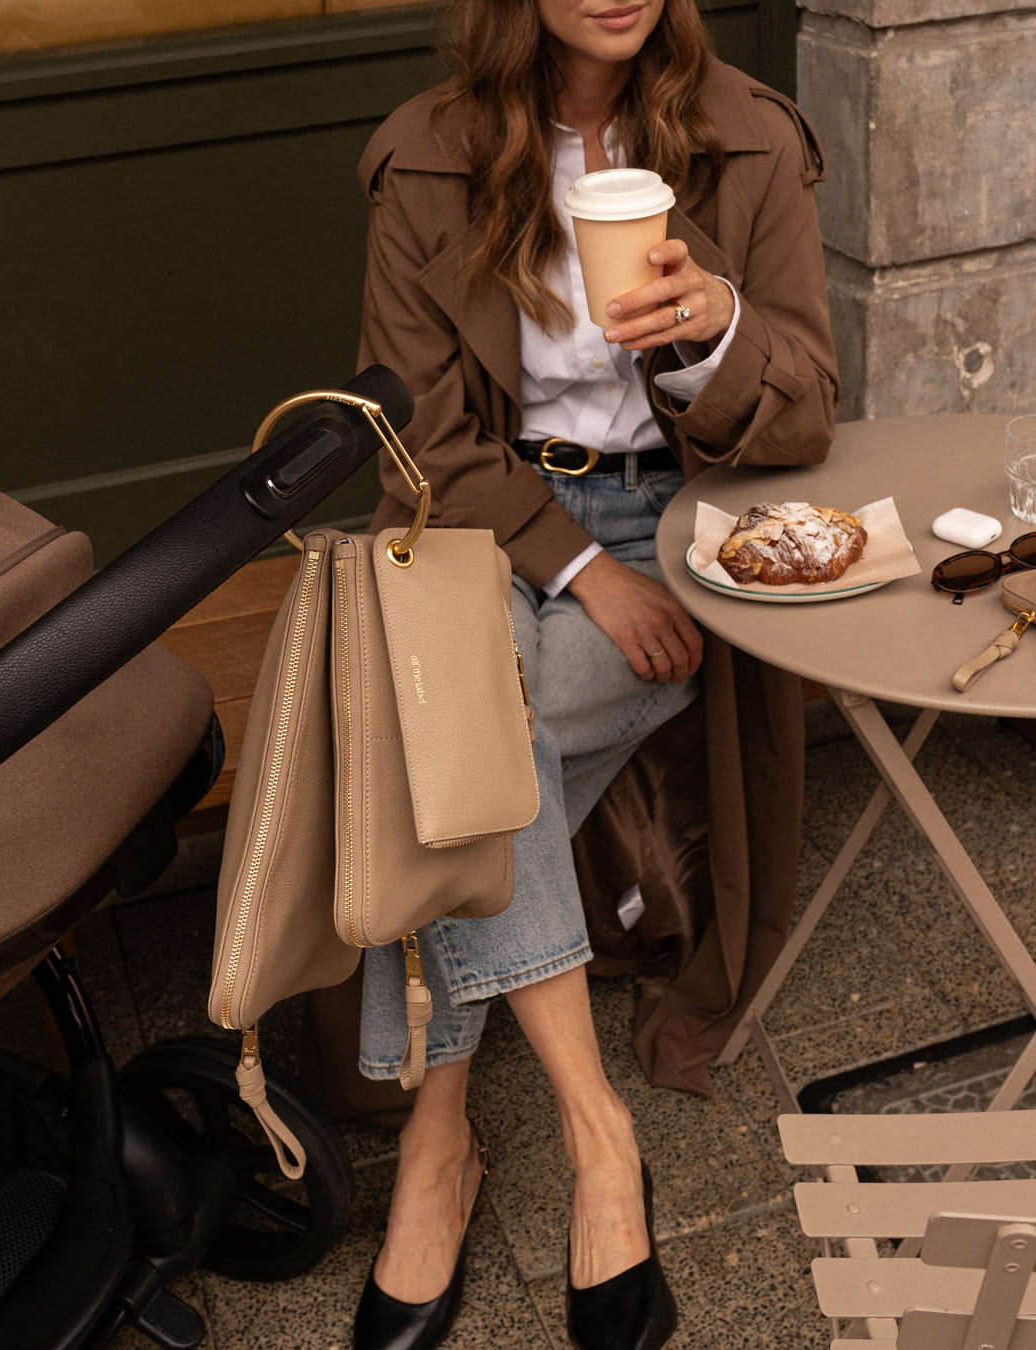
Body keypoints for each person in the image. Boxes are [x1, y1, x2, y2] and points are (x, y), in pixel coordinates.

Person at [351, 1, 839, 1347]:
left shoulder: (747, 139)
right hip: (484, 524)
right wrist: (578, 568)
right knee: (476, 719)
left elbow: (808, 402)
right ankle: (595, 1136)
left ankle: (436, 1134)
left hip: (676, 528)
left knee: (445, 753)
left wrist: (717, 329)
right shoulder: (428, 157)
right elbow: (416, 433)